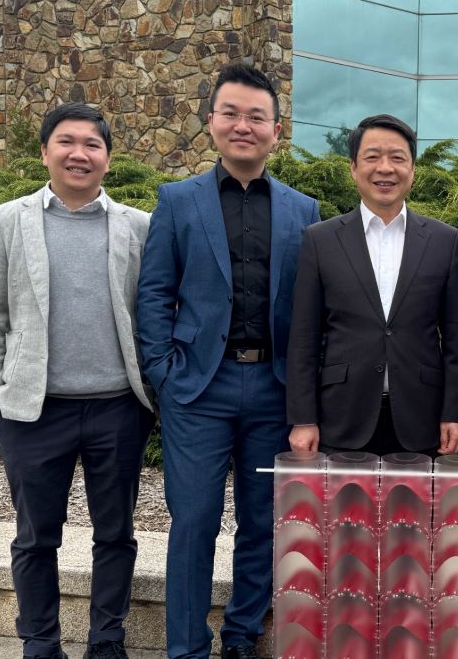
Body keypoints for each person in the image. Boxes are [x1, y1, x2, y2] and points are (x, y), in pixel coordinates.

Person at [136, 64, 320, 659]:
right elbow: (155, 293)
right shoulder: (177, 200)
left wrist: (303, 394)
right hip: (198, 389)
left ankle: (242, 637)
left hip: (273, 387)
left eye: (257, 116)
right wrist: (163, 373)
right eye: (232, 114)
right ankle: (186, 648)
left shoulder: (303, 210)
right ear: (212, 121)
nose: (244, 126)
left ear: (276, 128)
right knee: (193, 525)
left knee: (263, 526)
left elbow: (311, 308)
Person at [0, 102, 154, 659]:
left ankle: (106, 639)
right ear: (45, 151)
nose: (80, 153)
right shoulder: (6, 220)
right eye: (67, 142)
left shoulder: (138, 226)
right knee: (34, 538)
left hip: (119, 407)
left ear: (108, 158)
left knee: (116, 534)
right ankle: (40, 643)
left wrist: (153, 399)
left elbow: (152, 315)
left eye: (93, 144)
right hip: (32, 410)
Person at [287, 114, 458, 458]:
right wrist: (302, 418)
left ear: (413, 170)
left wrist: (454, 412)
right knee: (346, 514)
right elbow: (304, 337)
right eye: (372, 157)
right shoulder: (320, 240)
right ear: (353, 168)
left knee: (414, 514)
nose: (385, 168)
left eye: (398, 158)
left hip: (422, 418)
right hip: (340, 416)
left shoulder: (443, 241)